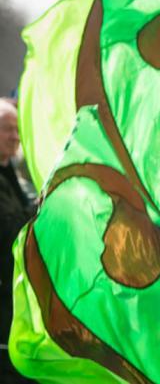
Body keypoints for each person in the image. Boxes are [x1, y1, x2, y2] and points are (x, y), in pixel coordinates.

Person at [0, 98, 35, 382]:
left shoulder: (11, 172)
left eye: (17, 129)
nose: (15, 136)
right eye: (6, 129)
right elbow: (10, 229)